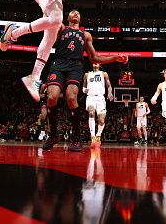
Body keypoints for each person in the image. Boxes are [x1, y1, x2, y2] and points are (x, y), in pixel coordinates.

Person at [42, 10, 128, 152]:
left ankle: (76, 138)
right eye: (72, 12)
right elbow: (50, 18)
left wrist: (114, 58)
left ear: (81, 18)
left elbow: (94, 58)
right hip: (58, 64)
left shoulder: (85, 35)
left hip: (75, 66)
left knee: (71, 97)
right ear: (67, 17)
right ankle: (52, 135)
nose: (76, 14)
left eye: (78, 13)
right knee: (52, 97)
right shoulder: (61, 28)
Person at [83, 63, 114, 147]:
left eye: (97, 61)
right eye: (93, 62)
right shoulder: (87, 74)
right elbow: (84, 87)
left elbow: (109, 86)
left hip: (100, 98)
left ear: (99, 64)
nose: (95, 63)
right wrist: (85, 90)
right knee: (91, 113)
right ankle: (92, 137)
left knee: (101, 121)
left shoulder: (103, 74)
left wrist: (110, 93)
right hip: (90, 97)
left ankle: (98, 135)